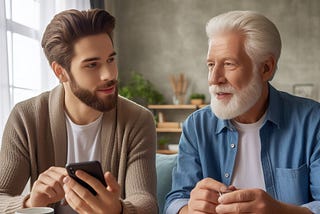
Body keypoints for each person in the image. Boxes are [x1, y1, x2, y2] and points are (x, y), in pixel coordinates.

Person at [0, 9, 157, 213]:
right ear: (60, 72)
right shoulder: (26, 117)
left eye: (110, 59)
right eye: (92, 65)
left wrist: (117, 210)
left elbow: (147, 202)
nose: (109, 74)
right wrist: (31, 204)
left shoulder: (137, 120)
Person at [165, 10, 320, 214]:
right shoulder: (197, 126)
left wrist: (280, 211)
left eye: (229, 64)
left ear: (266, 68)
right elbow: (175, 200)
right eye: (211, 65)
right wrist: (189, 209)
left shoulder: (312, 121)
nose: (214, 78)